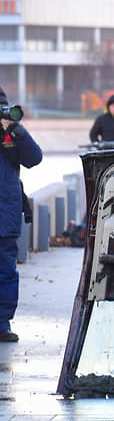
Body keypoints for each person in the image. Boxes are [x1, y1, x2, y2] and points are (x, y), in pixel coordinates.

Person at [0, 86, 42, 342]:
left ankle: (2, 323)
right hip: (7, 211)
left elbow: (34, 158)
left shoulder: (11, 135)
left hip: (6, 214)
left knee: (5, 270)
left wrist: (13, 129)